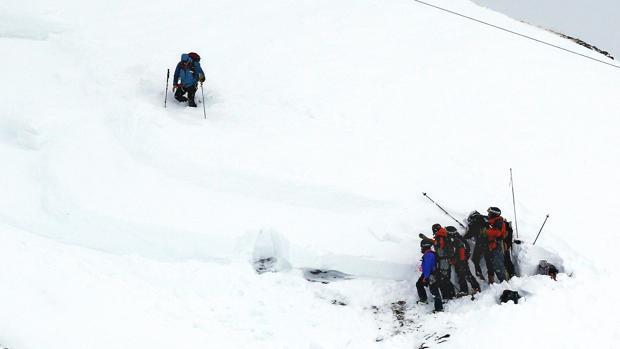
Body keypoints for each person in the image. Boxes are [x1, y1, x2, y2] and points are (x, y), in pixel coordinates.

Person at [446, 226, 481, 296]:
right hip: (462, 261)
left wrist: (457, 261)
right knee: (466, 275)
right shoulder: (459, 238)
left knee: (462, 275)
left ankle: (465, 290)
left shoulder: (456, 240)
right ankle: (475, 287)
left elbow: (459, 252)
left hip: (460, 262)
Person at [464, 211, 492, 282]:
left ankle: (479, 275)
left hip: (481, 242)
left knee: (475, 259)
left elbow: (469, 234)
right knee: (489, 261)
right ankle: (491, 278)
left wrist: (463, 237)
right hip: (490, 242)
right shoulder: (486, 219)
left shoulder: (476, 221)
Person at [416, 239, 443, 312]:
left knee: (434, 291)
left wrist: (426, 277)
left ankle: (439, 308)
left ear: (425, 246)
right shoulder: (428, 254)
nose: (421, 249)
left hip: (431, 275)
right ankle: (423, 299)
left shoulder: (429, 255)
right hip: (428, 274)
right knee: (419, 284)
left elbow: (428, 266)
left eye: (421, 247)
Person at [430, 224, 456, 299]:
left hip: (443, 261)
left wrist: (436, 253)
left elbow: (441, 251)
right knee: (446, 278)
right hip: (448, 260)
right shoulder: (445, 235)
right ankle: (452, 295)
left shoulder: (440, 237)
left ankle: (447, 297)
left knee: (443, 279)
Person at [486, 207, 508, 283]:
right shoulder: (493, 222)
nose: (488, 214)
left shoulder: (498, 222)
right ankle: (501, 283)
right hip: (493, 246)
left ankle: (504, 283)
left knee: (499, 265)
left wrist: (486, 232)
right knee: (494, 265)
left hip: (498, 246)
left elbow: (497, 233)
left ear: (493, 214)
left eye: (489, 213)